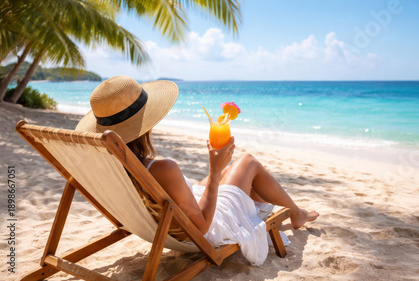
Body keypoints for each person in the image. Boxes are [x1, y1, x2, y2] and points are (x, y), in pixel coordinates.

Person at [75, 76, 319, 265]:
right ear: (145, 123)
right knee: (248, 162)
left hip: (165, 221)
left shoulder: (108, 165)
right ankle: (296, 213)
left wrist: (217, 175)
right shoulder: (163, 169)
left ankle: (269, 206)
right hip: (204, 228)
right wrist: (214, 171)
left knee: (233, 176)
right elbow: (201, 227)